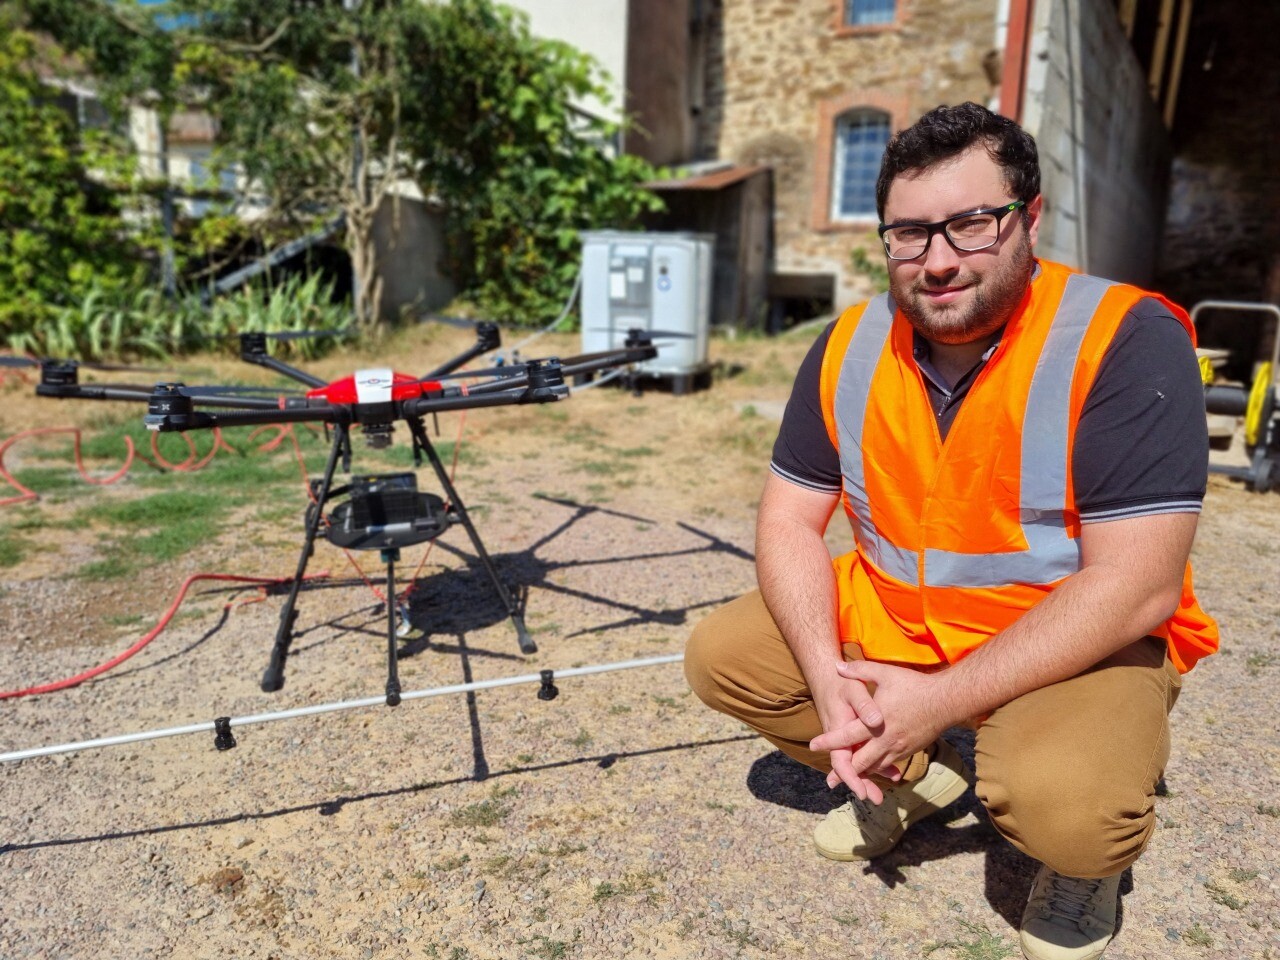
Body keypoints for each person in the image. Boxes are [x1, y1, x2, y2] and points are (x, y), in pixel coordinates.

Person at [684, 102, 1218, 960]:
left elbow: (1138, 584)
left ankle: (1081, 866)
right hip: (901, 620)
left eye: (972, 224)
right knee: (725, 658)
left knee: (1069, 807)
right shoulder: (851, 341)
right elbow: (789, 518)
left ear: (1030, 218)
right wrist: (829, 682)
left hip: (1071, 641)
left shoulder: (1124, 338)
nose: (936, 261)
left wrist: (931, 702)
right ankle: (913, 777)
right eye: (908, 233)